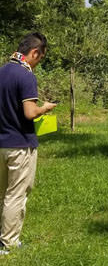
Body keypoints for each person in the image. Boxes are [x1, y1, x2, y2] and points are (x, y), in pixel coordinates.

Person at [0, 32, 57, 254]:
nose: (38, 63)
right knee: (16, 195)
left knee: (2, 193)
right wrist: (45, 108)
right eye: (40, 58)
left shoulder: (2, 71)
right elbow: (30, 112)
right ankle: (9, 244)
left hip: (1, 143)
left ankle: (2, 236)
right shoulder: (26, 76)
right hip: (20, 145)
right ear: (34, 52)